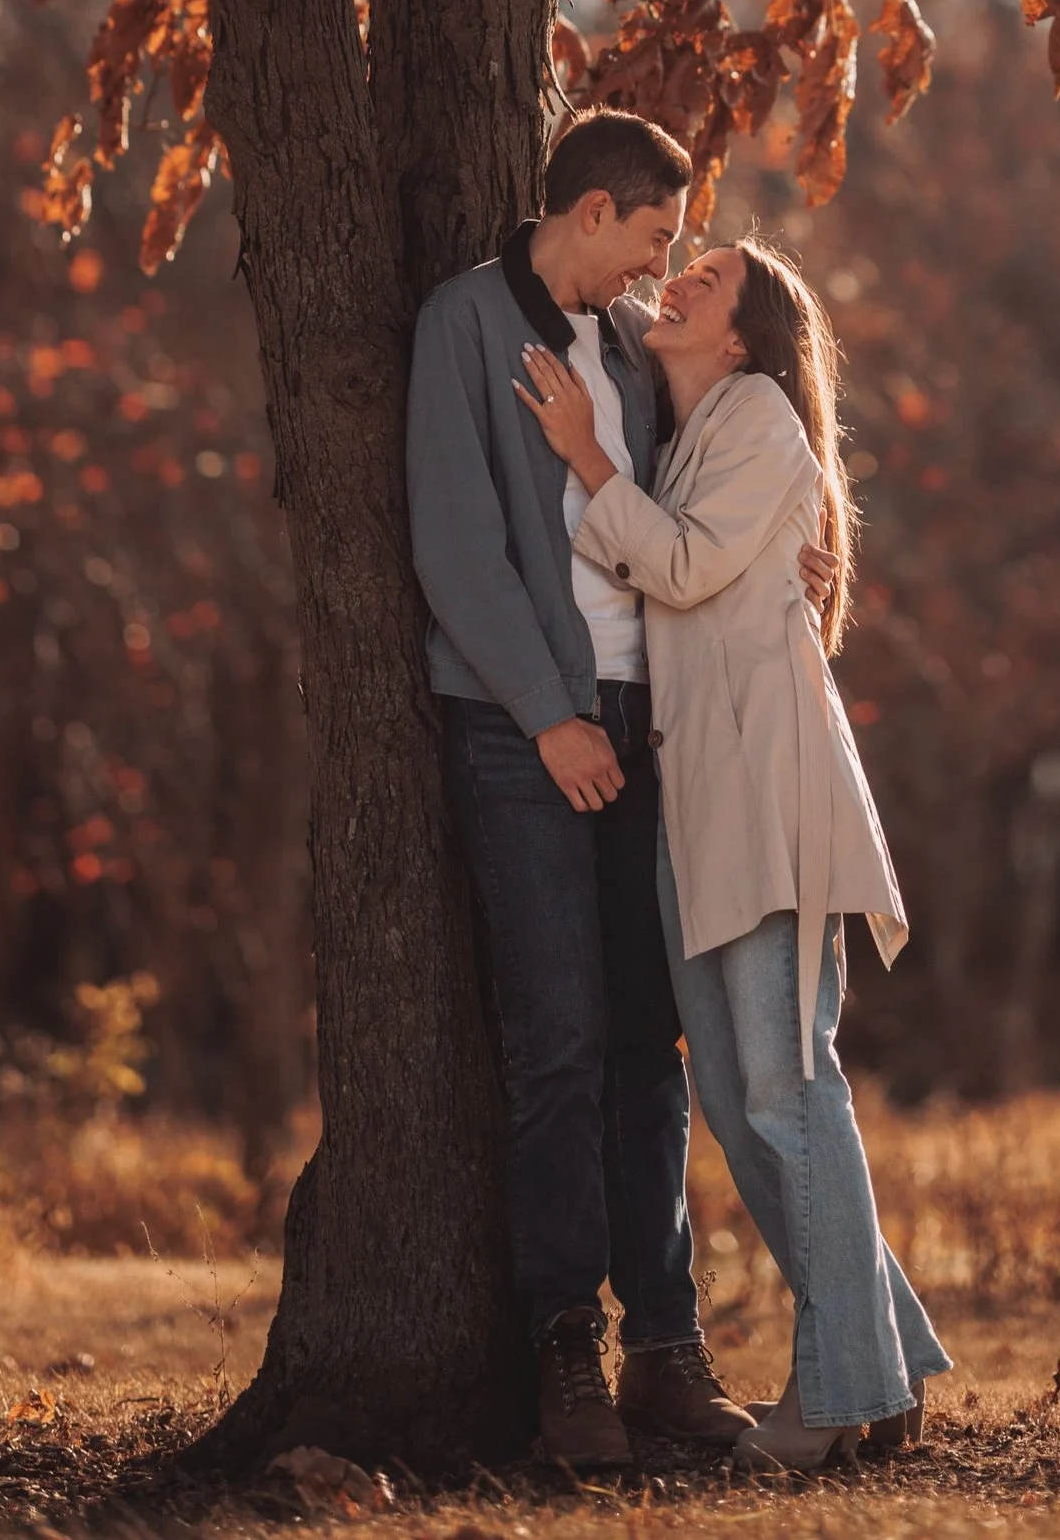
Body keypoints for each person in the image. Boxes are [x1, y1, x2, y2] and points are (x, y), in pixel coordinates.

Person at [519, 234, 950, 1473]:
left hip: (769, 799)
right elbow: (697, 570)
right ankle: (892, 1356)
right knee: (739, 1096)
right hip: (699, 811)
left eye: (708, 274)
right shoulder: (689, 423)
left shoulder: (757, 411)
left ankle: (837, 1392)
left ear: (749, 334)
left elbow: (689, 566)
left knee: (785, 1087)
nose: (682, 276)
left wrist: (588, 462)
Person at [405, 108, 754, 1474]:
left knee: (647, 1041)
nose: (657, 268)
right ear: (593, 209)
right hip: (521, 727)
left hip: (644, 722)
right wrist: (548, 715)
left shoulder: (623, 347)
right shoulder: (464, 326)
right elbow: (456, 542)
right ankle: (569, 1346)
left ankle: (668, 1343)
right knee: (554, 1039)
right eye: (652, 237)